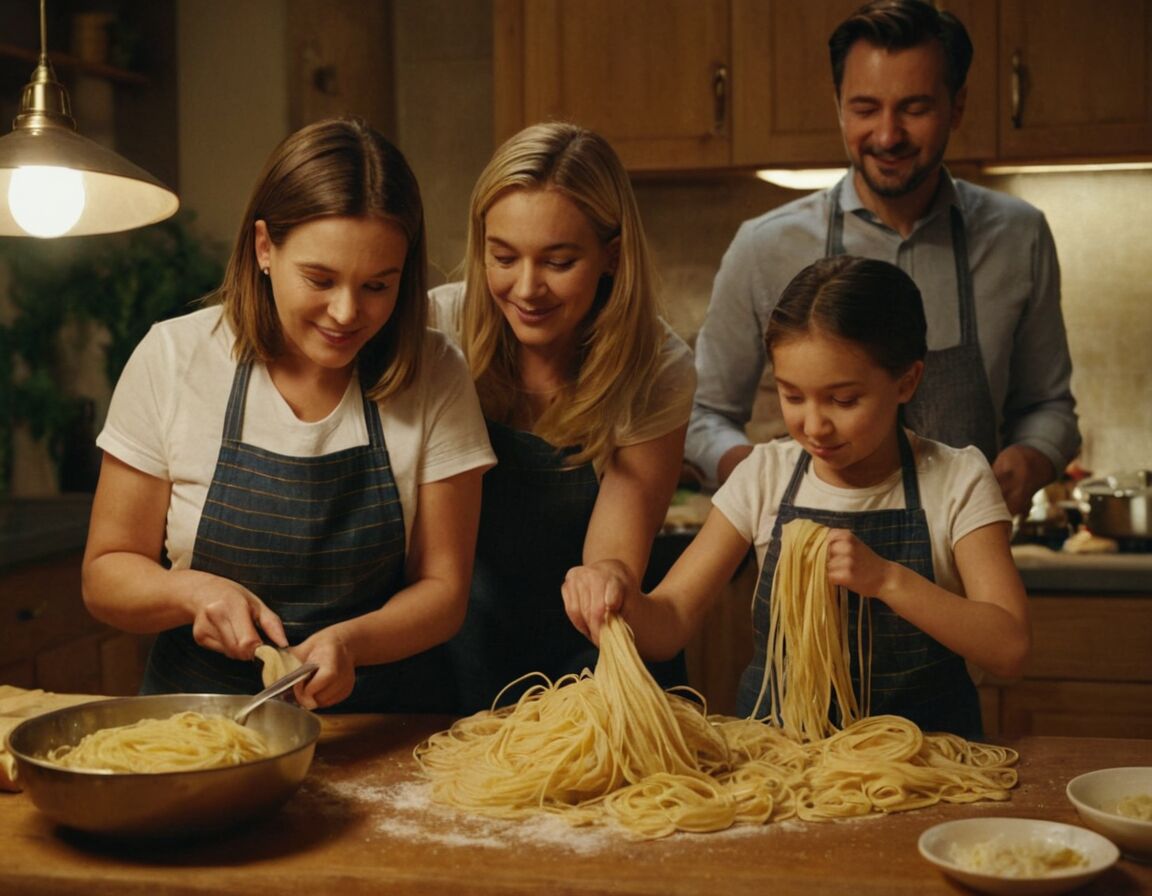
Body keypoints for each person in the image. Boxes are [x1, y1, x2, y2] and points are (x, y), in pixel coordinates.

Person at [82, 117, 495, 713]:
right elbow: (106, 572)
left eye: (378, 285)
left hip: (378, 730)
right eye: (320, 279)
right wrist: (192, 593)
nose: (347, 312)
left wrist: (352, 642)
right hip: (197, 729)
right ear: (264, 248)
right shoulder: (174, 358)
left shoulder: (434, 372)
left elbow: (444, 589)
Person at [567, 256, 1031, 738]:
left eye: (843, 400)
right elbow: (673, 619)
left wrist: (887, 580)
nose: (814, 425)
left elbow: (1010, 647)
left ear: (907, 382)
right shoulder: (763, 475)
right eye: (792, 396)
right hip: (783, 757)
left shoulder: (958, 480)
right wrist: (617, 598)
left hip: (930, 757)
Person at [686, 0, 1079, 516]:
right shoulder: (764, 246)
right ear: (838, 104)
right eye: (865, 109)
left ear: (957, 106)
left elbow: (1049, 406)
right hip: (814, 564)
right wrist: (759, 481)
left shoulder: (1018, 235)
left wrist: (1031, 459)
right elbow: (701, 415)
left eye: (914, 109)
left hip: (964, 569)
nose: (888, 136)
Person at [430, 121, 696, 714]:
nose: (527, 288)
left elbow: (612, 554)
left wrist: (605, 581)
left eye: (558, 261)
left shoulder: (657, 368)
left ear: (611, 256)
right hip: (460, 644)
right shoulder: (435, 335)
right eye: (504, 257)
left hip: (598, 647)